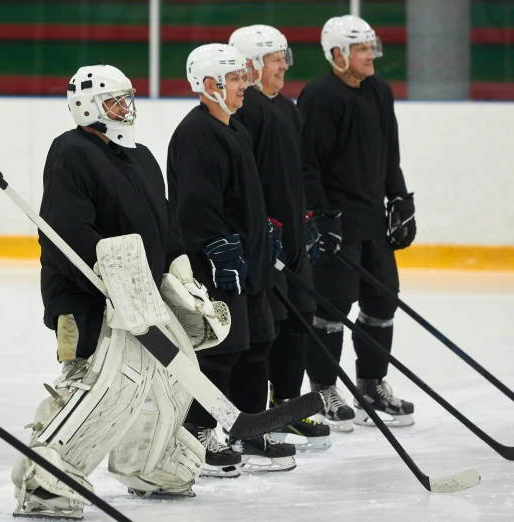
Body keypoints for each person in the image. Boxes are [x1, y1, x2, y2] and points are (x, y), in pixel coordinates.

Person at [11, 63, 230, 518]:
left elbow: (165, 229)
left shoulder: (142, 156)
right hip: (85, 298)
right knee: (96, 385)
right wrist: (113, 280)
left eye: (126, 98)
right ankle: (47, 479)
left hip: (144, 299)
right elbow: (71, 232)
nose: (125, 108)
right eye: (114, 101)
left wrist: (182, 280)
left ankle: (151, 464)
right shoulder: (70, 152)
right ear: (87, 106)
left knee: (166, 378)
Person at [168, 43, 286, 475]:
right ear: (210, 85)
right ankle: (197, 435)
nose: (245, 85)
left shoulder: (235, 128)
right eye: (235, 79)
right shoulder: (197, 134)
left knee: (259, 341)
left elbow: (244, 199)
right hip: (217, 266)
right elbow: (195, 209)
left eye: (242, 77)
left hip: (246, 261)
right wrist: (219, 250)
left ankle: (249, 428)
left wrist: (264, 235)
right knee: (222, 351)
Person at [298, 15, 417, 432]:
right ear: (337, 55)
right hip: (336, 222)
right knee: (331, 309)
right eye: (361, 49)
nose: (370, 56)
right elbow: (307, 165)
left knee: (383, 304)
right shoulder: (318, 97)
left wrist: (400, 199)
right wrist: (320, 215)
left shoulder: (380, 92)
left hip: (372, 221)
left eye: (371, 47)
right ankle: (324, 388)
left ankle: (370, 383)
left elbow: (390, 156)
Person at [229, 25, 331, 453]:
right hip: (264, 240)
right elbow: (246, 181)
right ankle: (257, 414)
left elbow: (297, 173)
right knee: (267, 325)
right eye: (276, 60)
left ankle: (288, 404)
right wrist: (264, 230)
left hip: (291, 237)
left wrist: (307, 217)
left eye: (285, 59)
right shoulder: (247, 110)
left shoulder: (287, 108)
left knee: (298, 319)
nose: (284, 68)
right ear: (251, 65)